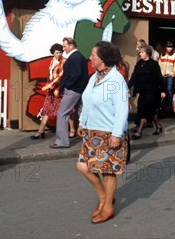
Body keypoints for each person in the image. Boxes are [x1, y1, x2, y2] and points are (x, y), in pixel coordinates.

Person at [76, 41, 129, 224]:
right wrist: (82, 122)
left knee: (107, 172)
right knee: (83, 166)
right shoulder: (95, 76)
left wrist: (117, 134)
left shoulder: (116, 80)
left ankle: (108, 208)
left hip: (109, 132)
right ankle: (104, 197)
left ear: (103, 59)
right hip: (92, 132)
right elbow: (88, 101)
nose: (90, 58)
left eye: (93, 55)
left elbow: (122, 109)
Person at [51, 37, 89, 149]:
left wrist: (67, 86)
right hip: (78, 89)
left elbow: (75, 75)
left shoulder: (74, 57)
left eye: (65, 46)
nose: (63, 48)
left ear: (71, 45)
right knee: (82, 113)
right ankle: (90, 138)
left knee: (62, 113)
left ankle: (62, 141)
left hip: (73, 90)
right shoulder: (78, 56)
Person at [32, 43, 75, 139]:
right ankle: (40, 131)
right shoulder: (52, 61)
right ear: (53, 53)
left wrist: (48, 86)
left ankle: (72, 129)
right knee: (46, 109)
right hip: (52, 90)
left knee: (67, 110)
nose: (59, 54)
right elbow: (51, 75)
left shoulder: (64, 62)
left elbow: (61, 76)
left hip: (61, 90)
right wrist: (49, 86)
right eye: (57, 52)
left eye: (60, 52)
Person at [129, 45, 166, 139]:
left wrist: (163, 90)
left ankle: (139, 131)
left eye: (142, 52)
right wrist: (127, 86)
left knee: (143, 110)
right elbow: (134, 76)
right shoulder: (139, 63)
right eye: (140, 52)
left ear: (148, 53)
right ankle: (158, 126)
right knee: (151, 110)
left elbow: (159, 78)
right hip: (142, 91)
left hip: (152, 91)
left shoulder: (154, 64)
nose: (140, 54)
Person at [159, 41, 175, 114]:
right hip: (162, 75)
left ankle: (169, 104)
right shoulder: (162, 55)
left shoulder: (174, 55)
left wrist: (174, 72)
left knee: (169, 89)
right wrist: (159, 73)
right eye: (168, 47)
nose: (169, 48)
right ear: (165, 47)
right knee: (163, 90)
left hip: (170, 75)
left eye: (170, 47)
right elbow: (159, 64)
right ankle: (163, 104)